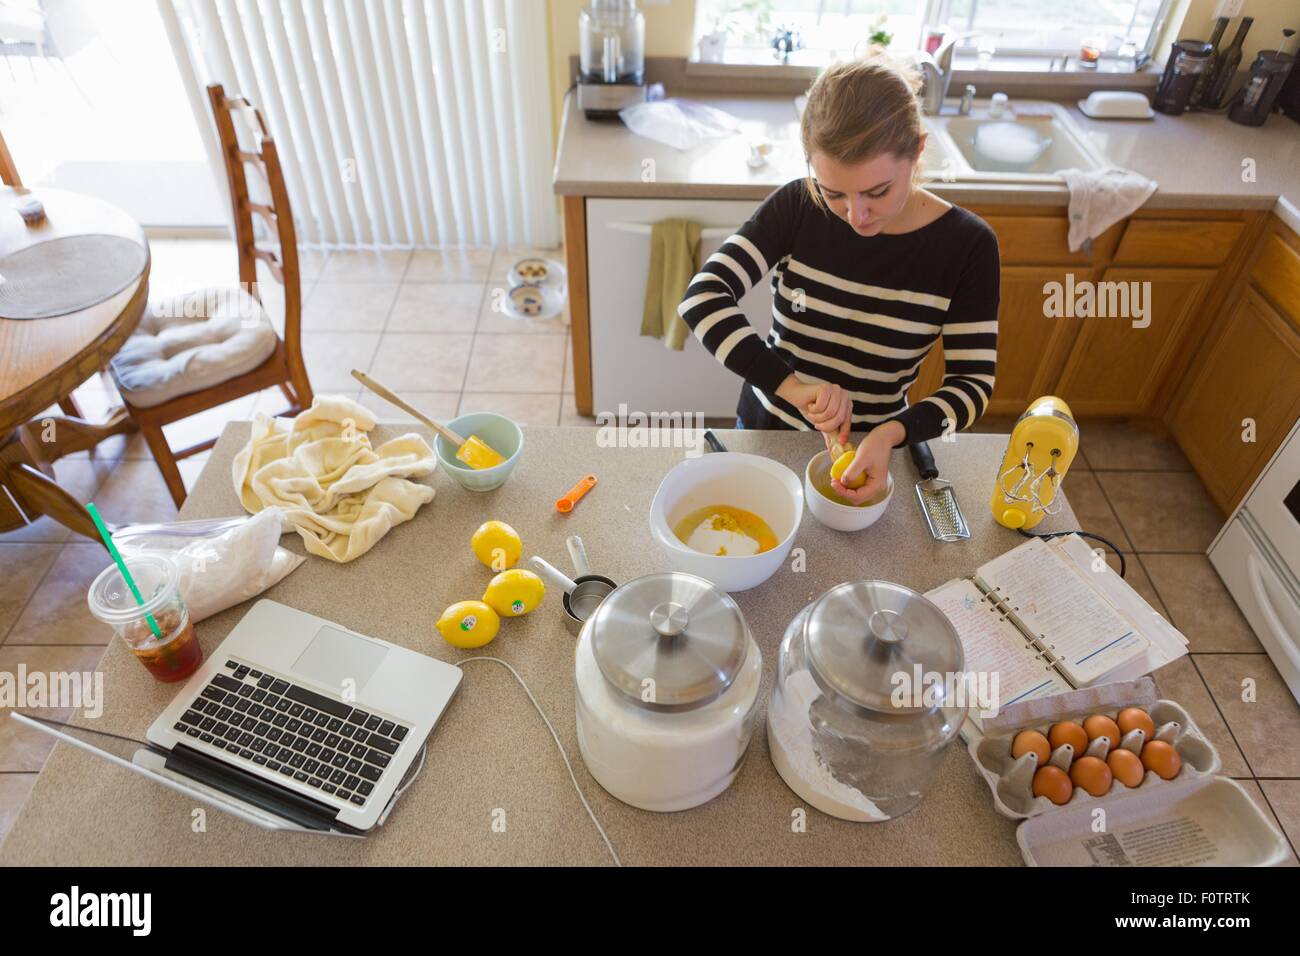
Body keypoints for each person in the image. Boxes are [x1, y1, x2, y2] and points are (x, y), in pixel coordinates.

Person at [677, 54, 1000, 504]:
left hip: (874, 450)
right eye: (834, 193)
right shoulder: (797, 206)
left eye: (877, 191)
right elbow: (702, 298)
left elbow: (973, 385)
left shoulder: (967, 247)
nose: (856, 215)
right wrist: (794, 388)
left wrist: (891, 435)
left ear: (918, 151)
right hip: (770, 434)